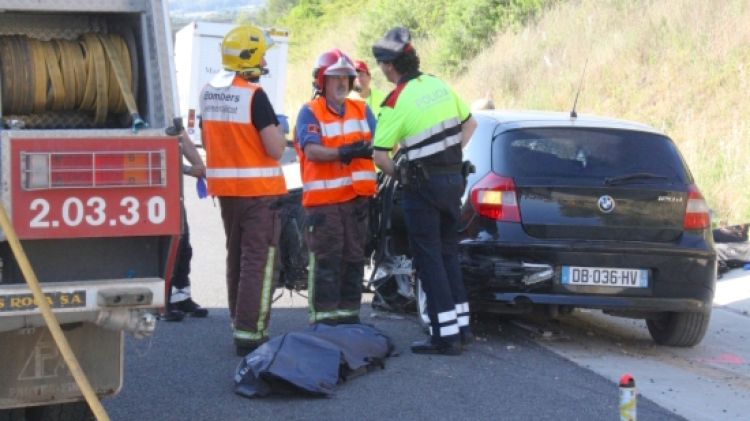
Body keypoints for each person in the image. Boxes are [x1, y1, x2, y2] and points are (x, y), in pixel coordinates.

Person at [370, 27, 477, 356]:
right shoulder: (437, 84)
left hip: (422, 189)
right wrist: (447, 156)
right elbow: (470, 124)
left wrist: (402, 176)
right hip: (453, 183)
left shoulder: (394, 101)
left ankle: (444, 337)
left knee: (428, 259)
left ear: (389, 66)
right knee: (448, 255)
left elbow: (380, 155)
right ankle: (461, 326)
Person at [199, 25, 288, 356]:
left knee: (236, 256)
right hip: (260, 194)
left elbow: (209, 143)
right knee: (259, 262)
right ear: (250, 57)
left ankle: (239, 322)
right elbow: (276, 149)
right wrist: (279, 128)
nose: (265, 59)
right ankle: (252, 333)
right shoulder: (254, 96)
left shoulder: (207, 92)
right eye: (262, 53)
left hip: (227, 194)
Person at [294, 48, 377, 325]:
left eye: (347, 77)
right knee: (327, 262)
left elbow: (381, 144)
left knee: (354, 260)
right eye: (335, 77)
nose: (342, 82)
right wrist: (345, 152)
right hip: (325, 205)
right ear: (322, 81)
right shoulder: (309, 112)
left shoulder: (362, 109)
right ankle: (324, 323)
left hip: (356, 203)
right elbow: (313, 151)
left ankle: (349, 321)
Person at [162, 130, 209, 321]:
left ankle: (181, 297)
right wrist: (189, 169)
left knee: (184, 248)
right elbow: (160, 155)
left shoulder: (169, 119)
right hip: (156, 190)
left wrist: (199, 165)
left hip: (174, 192)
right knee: (167, 248)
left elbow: (182, 137)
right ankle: (163, 303)